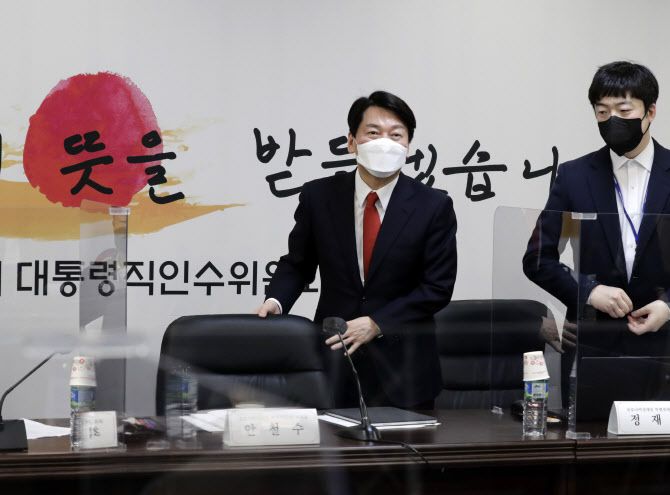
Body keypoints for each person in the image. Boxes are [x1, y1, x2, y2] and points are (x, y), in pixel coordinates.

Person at [258, 90, 457, 409]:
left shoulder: (433, 206)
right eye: (373, 133)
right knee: (330, 441)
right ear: (351, 141)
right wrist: (276, 300)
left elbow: (437, 287)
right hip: (334, 358)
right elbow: (298, 263)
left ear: (408, 145)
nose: (385, 143)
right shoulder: (319, 196)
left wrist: (378, 322)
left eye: (396, 135)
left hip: (405, 368)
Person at [523, 61, 670, 418]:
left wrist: (669, 306)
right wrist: (588, 291)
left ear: (650, 112)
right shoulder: (574, 176)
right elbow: (538, 259)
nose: (612, 120)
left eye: (624, 110)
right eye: (602, 112)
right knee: (593, 445)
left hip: (664, 346)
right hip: (595, 347)